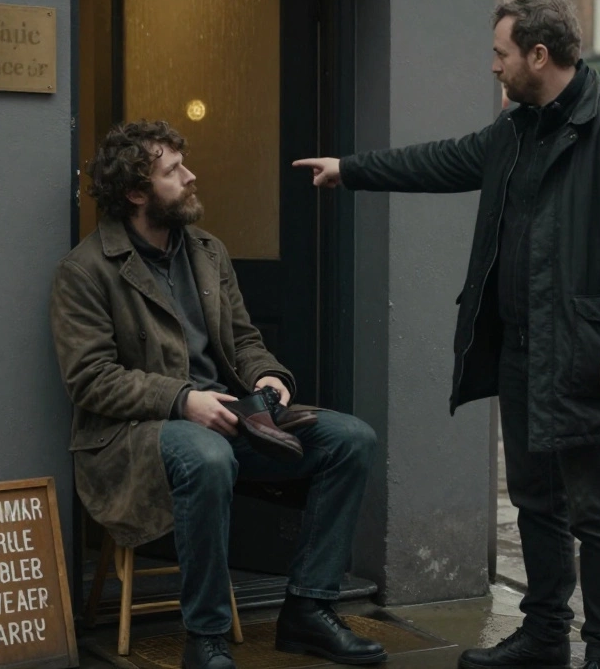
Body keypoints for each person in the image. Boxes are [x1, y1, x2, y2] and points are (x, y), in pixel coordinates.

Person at [293, 0, 600, 669]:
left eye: (500, 54)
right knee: (535, 502)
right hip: (523, 353)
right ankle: (544, 636)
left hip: (590, 357)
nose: (492, 68)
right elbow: (444, 161)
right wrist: (349, 171)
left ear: (537, 53)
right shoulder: (517, 128)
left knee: (596, 512)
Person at [50, 120, 386, 669]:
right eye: (173, 170)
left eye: (184, 164)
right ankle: (203, 640)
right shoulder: (85, 271)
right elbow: (90, 379)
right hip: (139, 436)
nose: (190, 176)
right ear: (136, 193)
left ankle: (308, 610)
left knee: (351, 438)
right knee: (205, 457)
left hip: (234, 418)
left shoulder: (206, 251)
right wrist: (183, 400)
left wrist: (268, 378)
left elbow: (245, 340)